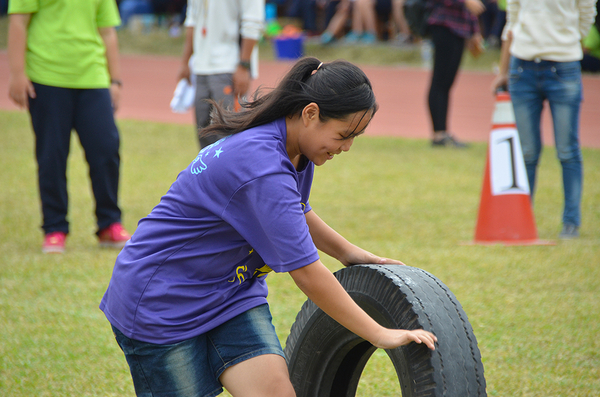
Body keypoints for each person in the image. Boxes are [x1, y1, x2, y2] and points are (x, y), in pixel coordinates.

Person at [100, 57, 437, 397]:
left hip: (228, 294)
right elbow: (306, 273)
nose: (347, 147)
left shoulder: (296, 150)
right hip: (163, 302)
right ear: (310, 113)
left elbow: (295, 211)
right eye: (343, 134)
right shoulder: (263, 166)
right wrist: (378, 333)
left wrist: (350, 253)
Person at [7, 0, 131, 253]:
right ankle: (54, 227)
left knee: (106, 149)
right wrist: (18, 74)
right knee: (52, 155)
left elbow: (107, 31)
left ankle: (109, 223)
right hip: (46, 75)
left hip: (93, 77)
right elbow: (18, 21)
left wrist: (115, 80)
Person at [491, 0, 597, 239]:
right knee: (526, 152)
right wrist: (503, 70)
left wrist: (565, 41)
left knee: (567, 150)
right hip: (522, 67)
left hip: (563, 66)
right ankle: (521, 220)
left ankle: (571, 222)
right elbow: (513, 19)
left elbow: (587, 15)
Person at [177, 0, 265, 148]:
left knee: (230, 134)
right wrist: (185, 61)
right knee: (204, 131)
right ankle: (207, 171)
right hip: (202, 66)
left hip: (229, 67)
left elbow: (253, 23)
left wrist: (243, 66)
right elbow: (192, 19)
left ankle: (232, 171)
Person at [426, 0, 485, 147]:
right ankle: (439, 134)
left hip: (459, 28)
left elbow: (470, 9)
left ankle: (443, 133)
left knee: (446, 83)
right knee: (440, 81)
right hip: (445, 24)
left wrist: (475, 31)